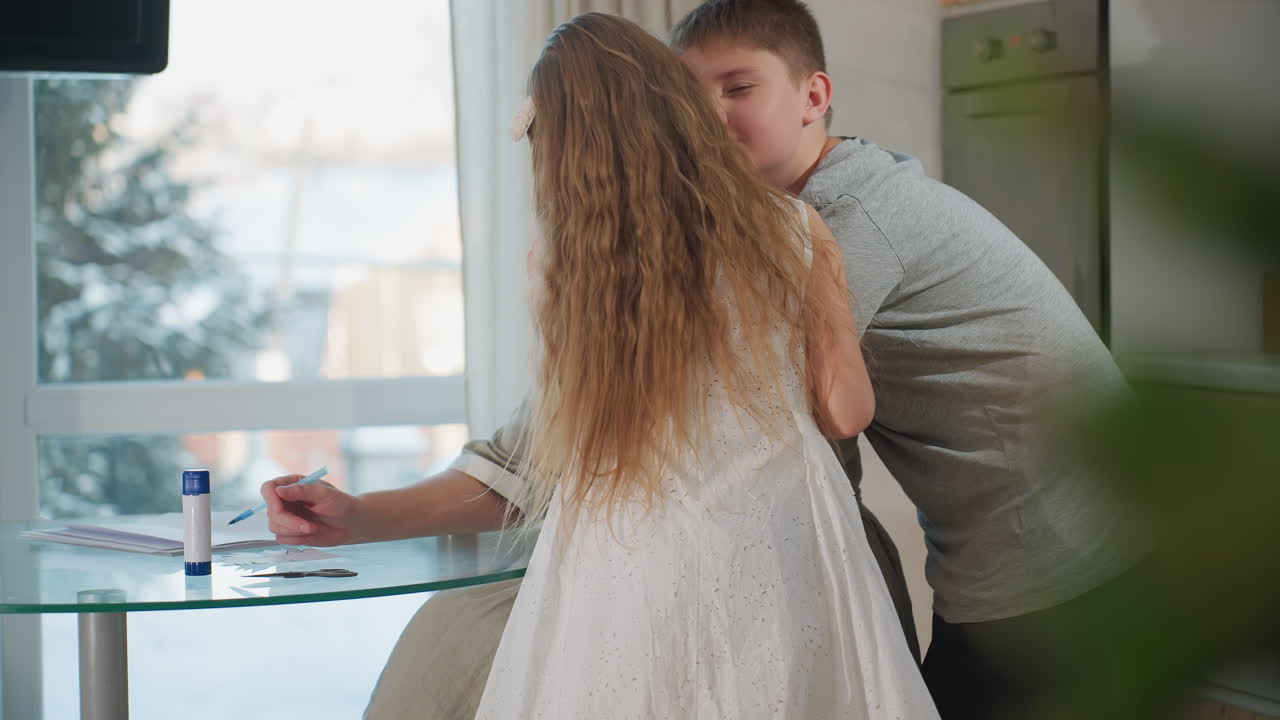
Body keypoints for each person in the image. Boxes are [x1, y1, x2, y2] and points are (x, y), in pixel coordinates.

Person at [267, 2, 1146, 718]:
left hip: (1062, 547)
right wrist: (361, 514)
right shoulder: (778, 223)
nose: (715, 116)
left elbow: (691, 431)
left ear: (814, 95)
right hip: (1023, 539)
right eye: (694, 94)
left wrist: (364, 516)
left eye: (741, 86)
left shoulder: (833, 223)